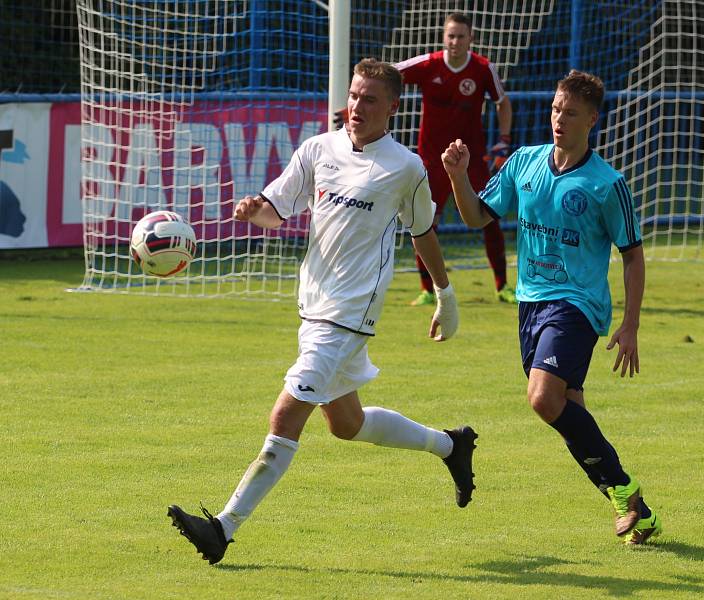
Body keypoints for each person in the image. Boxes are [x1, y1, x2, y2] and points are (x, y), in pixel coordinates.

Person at [168, 58, 478, 565]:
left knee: (287, 412)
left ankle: (222, 528)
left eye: (370, 99)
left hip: (350, 314)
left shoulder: (406, 167)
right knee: (346, 424)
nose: (357, 106)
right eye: (355, 96)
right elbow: (277, 208)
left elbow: (423, 233)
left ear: (393, 108)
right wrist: (254, 212)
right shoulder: (319, 148)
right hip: (313, 308)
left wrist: (446, 297)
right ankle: (451, 446)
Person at [441, 69, 662, 545]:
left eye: (571, 113)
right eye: (557, 108)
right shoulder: (525, 163)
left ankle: (626, 494)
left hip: (578, 306)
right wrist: (458, 177)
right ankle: (635, 508)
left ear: (592, 120)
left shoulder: (607, 184)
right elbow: (478, 216)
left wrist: (630, 324)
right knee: (571, 417)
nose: (559, 119)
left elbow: (633, 253)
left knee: (543, 398)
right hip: (530, 306)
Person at [395, 12, 516, 305]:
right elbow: (386, 74)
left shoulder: (483, 69)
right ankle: (427, 289)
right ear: (443, 37)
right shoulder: (429, 65)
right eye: (450, 35)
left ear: (470, 39)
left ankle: (502, 286)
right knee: (424, 223)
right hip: (431, 162)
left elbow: (503, 103)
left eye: (461, 36)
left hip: (469, 160)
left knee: (490, 219)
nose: (455, 41)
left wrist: (504, 139)